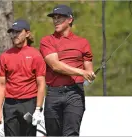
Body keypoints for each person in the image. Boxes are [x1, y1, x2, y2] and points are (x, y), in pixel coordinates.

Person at [39, 5, 96, 136]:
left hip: (75, 93)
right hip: (54, 93)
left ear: (70, 20)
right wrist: (82, 72)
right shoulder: (47, 41)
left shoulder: (83, 42)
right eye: (54, 18)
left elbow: (89, 69)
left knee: (71, 134)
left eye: (60, 18)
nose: (56, 21)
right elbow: (55, 65)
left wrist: (90, 75)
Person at [0, 19, 46, 136]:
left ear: (27, 33)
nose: (14, 35)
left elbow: (41, 84)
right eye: (13, 32)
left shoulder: (35, 55)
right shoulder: (5, 56)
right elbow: (1, 84)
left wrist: (38, 109)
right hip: (10, 105)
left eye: (18, 32)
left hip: (29, 103)